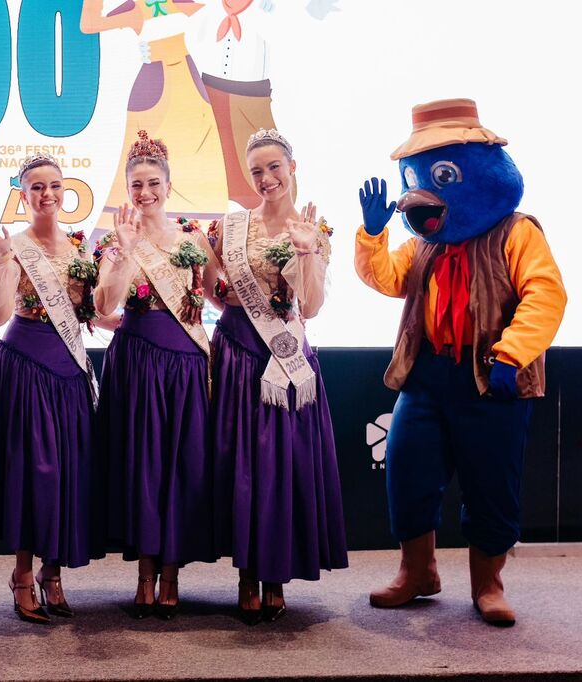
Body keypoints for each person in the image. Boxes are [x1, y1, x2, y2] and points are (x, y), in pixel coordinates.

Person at [356, 99, 567, 626]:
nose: (421, 194)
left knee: (491, 483)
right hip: (427, 376)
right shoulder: (425, 243)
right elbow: (388, 279)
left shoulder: (517, 232)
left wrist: (511, 355)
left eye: (441, 176)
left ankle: (488, 584)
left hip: (490, 378)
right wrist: (374, 236)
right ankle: (417, 573)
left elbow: (545, 294)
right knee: (408, 470)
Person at [208, 128, 348, 624]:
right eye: (257, 171)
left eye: (274, 167)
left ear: (292, 167)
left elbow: (312, 304)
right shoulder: (230, 227)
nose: (266, 178)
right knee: (241, 467)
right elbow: (211, 285)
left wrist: (307, 252)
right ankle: (248, 575)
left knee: (280, 466)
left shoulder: (312, 228)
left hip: (284, 362)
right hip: (236, 355)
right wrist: (223, 296)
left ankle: (276, 576)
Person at [0, 154, 105, 624]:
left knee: (66, 472)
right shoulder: (15, 246)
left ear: (65, 191)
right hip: (24, 368)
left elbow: (94, 313)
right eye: (37, 187)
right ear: (23, 195)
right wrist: (3, 262)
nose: (48, 194)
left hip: (69, 372)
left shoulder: (81, 250)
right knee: (30, 474)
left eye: (55, 186)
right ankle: (22, 575)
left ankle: (52, 572)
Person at [93, 131, 218, 619]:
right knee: (141, 465)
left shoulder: (193, 237)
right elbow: (104, 304)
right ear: (128, 190)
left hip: (185, 365)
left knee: (180, 465)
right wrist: (124, 253)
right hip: (136, 363)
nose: (145, 193)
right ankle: (145, 573)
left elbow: (218, 294)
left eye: (153, 183)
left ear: (168, 185)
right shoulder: (115, 240)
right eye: (136, 185)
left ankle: (171, 573)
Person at [81, 0, 228, 228]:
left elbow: (213, 13)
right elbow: (90, 25)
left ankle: (205, 229)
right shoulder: (138, 6)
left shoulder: (170, 3)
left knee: (198, 148)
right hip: (159, 81)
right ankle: (130, 230)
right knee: (145, 155)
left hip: (184, 84)